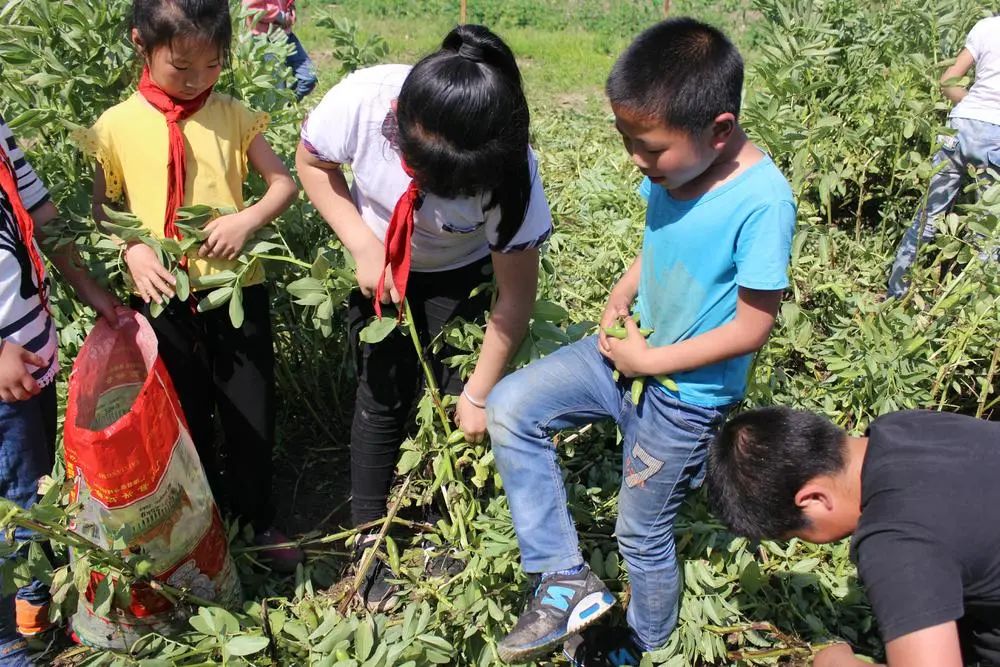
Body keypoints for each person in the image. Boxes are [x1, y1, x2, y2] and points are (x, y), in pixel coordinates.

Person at [486, 17, 796, 666]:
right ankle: (563, 576)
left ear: (719, 130)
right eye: (627, 141)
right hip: (628, 352)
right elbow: (659, 240)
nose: (637, 160)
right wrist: (625, 289)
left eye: (649, 148)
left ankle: (646, 644)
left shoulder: (763, 201)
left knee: (641, 531)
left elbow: (752, 325)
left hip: (684, 397)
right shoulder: (673, 168)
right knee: (512, 406)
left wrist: (650, 361)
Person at [296, 25, 552, 611]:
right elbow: (311, 164)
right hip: (379, 258)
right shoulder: (362, 102)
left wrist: (481, 392)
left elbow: (514, 298)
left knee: (450, 397)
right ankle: (369, 540)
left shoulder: (513, 174)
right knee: (380, 391)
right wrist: (362, 243)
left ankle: (440, 526)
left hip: (461, 271)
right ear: (400, 123)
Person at [78, 0, 301, 571]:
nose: (196, 81)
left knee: (249, 411)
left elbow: (282, 184)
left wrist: (247, 219)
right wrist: (131, 247)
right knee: (181, 415)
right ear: (140, 44)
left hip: (235, 289)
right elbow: (103, 211)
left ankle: (257, 515)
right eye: (181, 68)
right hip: (159, 294)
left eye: (211, 66)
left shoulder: (232, 115)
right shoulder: (115, 125)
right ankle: (201, 524)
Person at [708, 407, 1000, 667]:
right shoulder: (903, 425)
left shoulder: (894, 543)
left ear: (814, 498)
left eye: (794, 534)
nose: (804, 541)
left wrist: (836, 662)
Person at [0, 113, 119, 664]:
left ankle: (33, 617)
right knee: (9, 511)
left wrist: (95, 293)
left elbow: (40, 215)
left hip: (31, 359)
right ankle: (11, 640)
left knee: (31, 496)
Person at [886, 14, 1000, 298]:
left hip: (959, 127)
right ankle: (974, 313)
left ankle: (896, 296)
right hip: (995, 136)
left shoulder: (986, 27)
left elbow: (947, 80)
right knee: (988, 230)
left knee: (927, 218)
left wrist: (973, 103)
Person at [243, 0, 317, 101]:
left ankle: (287, 104)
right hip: (264, 38)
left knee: (309, 77)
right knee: (276, 89)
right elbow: (252, 7)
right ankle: (281, 110)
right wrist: (279, 16)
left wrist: (291, 10)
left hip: (285, 34)